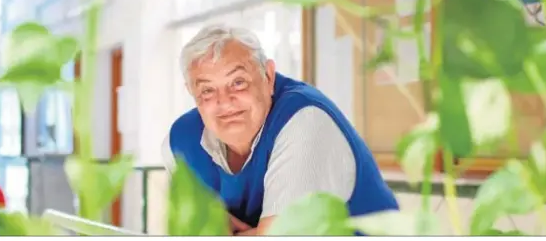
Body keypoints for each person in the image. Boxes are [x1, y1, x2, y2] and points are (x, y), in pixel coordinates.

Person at [161, 24, 399, 235]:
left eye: (238, 82)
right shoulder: (180, 142)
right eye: (207, 90)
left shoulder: (305, 121)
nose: (225, 101)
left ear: (268, 76)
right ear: (191, 92)